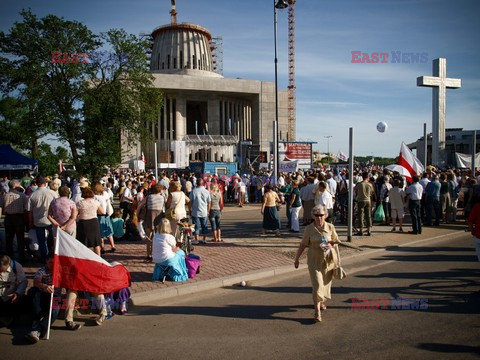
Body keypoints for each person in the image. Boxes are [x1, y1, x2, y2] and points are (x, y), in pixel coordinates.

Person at [294, 206, 341, 322]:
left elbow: (336, 243)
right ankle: (317, 311)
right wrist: (297, 258)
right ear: (312, 216)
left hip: (328, 261)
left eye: (321, 215)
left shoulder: (330, 227)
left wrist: (336, 259)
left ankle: (321, 302)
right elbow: (303, 244)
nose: (319, 217)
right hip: (314, 260)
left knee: (325, 284)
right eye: (316, 215)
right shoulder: (309, 229)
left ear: (325, 215)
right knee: (318, 285)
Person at [25, 254, 66, 343]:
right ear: (46, 261)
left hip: (56, 296)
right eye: (50, 262)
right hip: (43, 294)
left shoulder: (61, 271)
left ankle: (37, 330)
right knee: (34, 293)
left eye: (54, 262)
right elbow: (36, 281)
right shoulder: (42, 270)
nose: (52, 264)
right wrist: (44, 286)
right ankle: (36, 325)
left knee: (55, 310)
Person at [27, 176, 58, 261]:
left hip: (38, 220)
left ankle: (45, 256)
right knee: (52, 238)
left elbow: (29, 211)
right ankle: (51, 253)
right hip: (50, 220)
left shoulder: (32, 195)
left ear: (37, 184)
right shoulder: (53, 193)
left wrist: (30, 223)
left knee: (41, 240)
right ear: (45, 183)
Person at [0, 180, 28, 262]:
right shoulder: (22, 196)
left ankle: (9, 257)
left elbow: (1, 207)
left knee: (9, 238)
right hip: (19, 217)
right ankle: (21, 257)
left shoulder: (4, 196)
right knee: (20, 238)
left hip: (8, 217)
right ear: (16, 186)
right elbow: (25, 208)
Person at [0, 255, 27, 326]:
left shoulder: (16, 266)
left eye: (2, 270)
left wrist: (17, 293)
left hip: (11, 297)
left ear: (8, 264)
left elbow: (23, 281)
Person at [76, 187, 104, 256]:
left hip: (83, 222)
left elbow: (76, 213)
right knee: (96, 242)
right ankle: (98, 258)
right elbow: (102, 212)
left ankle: (84, 258)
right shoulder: (95, 202)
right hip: (93, 222)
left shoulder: (80, 203)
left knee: (83, 241)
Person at [143, 184, 166, 261]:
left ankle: (148, 254)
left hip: (150, 216)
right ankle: (157, 253)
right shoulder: (162, 197)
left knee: (149, 235)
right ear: (160, 190)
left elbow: (141, 204)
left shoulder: (149, 197)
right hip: (159, 216)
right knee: (159, 235)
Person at [93, 182, 116, 253]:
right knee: (109, 232)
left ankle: (102, 248)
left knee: (100, 233)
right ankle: (113, 246)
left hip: (99, 215)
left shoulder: (95, 196)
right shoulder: (105, 194)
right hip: (106, 214)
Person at [189, 179, 211, 244]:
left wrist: (190, 209)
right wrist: (208, 210)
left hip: (195, 211)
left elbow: (190, 202)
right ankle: (204, 239)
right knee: (204, 225)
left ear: (196, 184)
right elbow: (209, 202)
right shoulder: (206, 191)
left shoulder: (193, 191)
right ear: (203, 184)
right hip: (204, 211)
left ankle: (196, 239)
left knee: (196, 226)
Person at [354, 172, 374, 236]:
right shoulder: (370, 184)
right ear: (367, 177)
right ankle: (369, 230)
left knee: (360, 215)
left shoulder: (359, 184)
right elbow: (372, 192)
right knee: (368, 215)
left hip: (360, 200)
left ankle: (361, 230)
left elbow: (355, 190)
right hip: (368, 200)